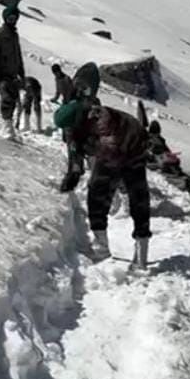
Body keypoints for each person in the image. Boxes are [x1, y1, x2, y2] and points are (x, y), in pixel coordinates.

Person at [54, 99, 152, 269]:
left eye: (70, 128)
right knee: (95, 193)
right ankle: (101, 247)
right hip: (111, 148)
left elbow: (109, 158)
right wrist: (74, 170)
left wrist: (114, 182)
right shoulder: (76, 120)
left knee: (138, 197)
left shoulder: (105, 125)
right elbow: (73, 144)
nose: (68, 131)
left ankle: (141, 252)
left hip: (134, 147)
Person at [0, 5, 25, 140]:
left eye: (14, 18)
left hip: (13, 75)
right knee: (7, 99)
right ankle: (7, 127)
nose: (12, 21)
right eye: (10, 18)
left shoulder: (14, 35)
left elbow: (18, 55)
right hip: (2, 74)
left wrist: (21, 73)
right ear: (5, 18)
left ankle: (6, 122)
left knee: (13, 100)